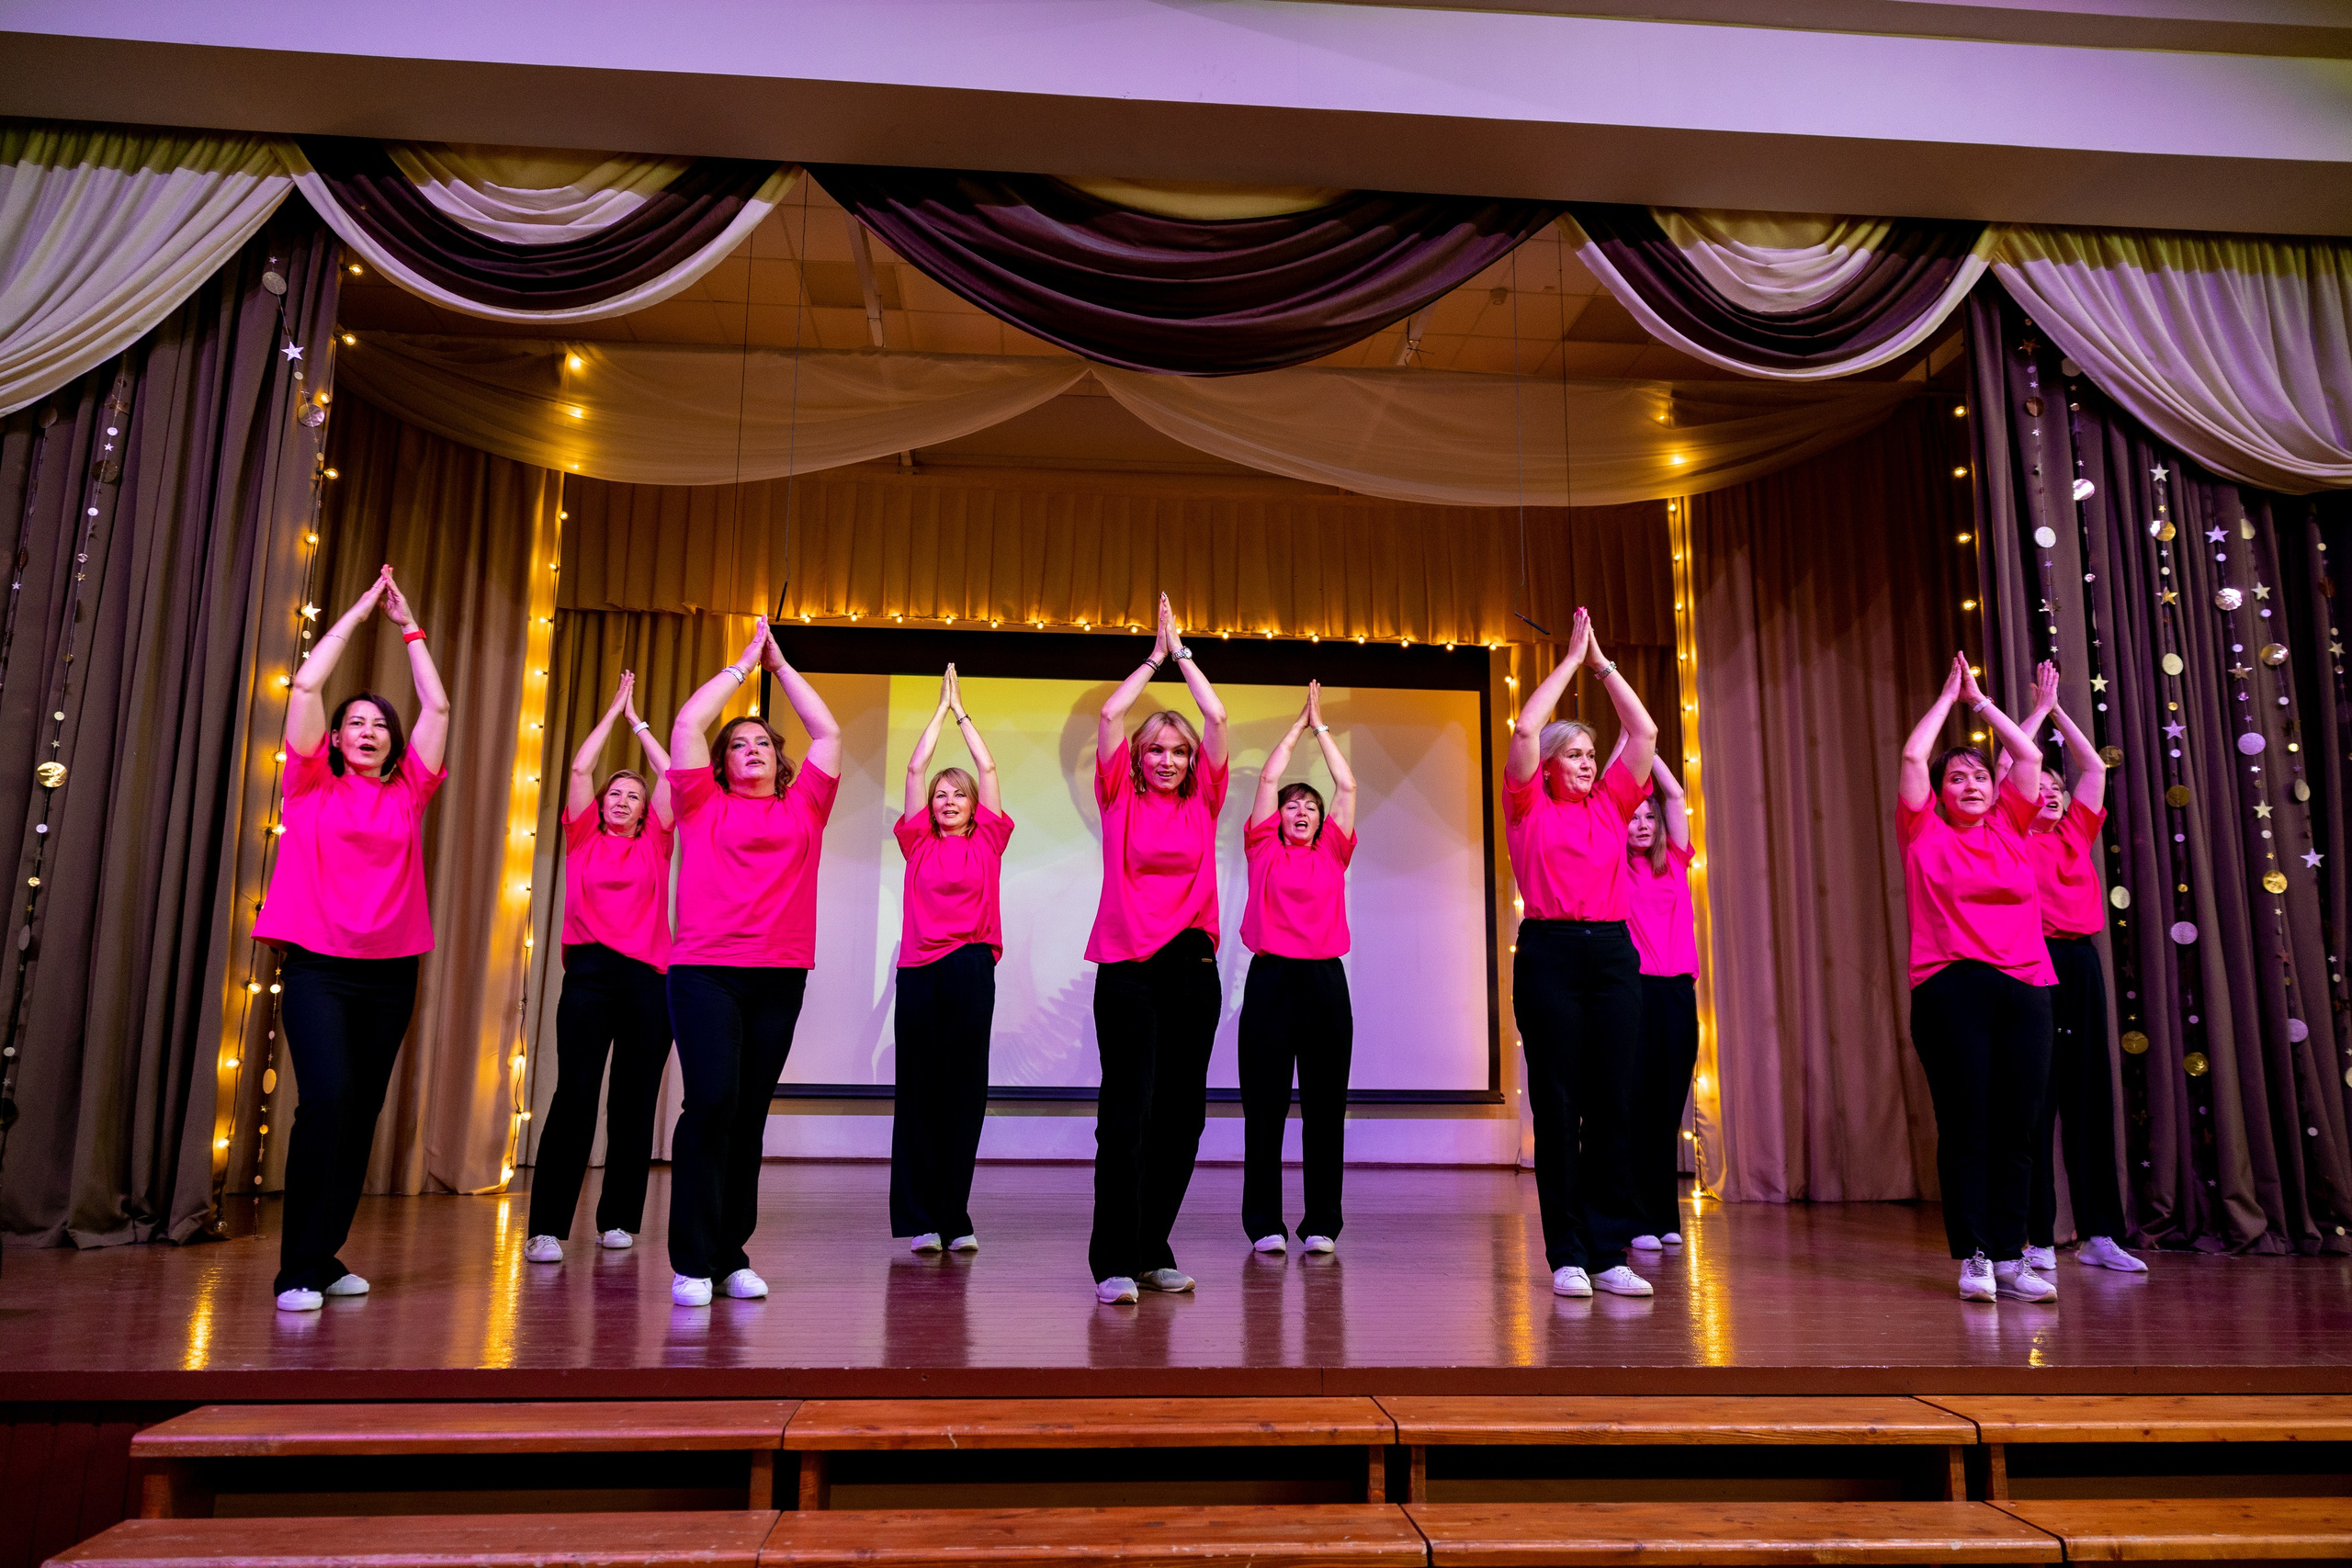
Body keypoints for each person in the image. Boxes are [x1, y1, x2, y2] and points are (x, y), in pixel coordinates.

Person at [253, 566, 450, 1313]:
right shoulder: (309, 783)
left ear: (394, 743)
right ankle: (297, 1269)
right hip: (318, 969)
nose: (368, 732)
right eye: (355, 723)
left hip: (390, 972)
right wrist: (362, 612)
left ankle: (325, 1253)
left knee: (360, 1111)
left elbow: (439, 703)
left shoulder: (410, 791)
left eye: (380, 725)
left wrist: (410, 627)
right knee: (327, 1100)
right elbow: (306, 685)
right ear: (334, 738)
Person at [662, 617, 842, 1308]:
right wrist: (743, 666)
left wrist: (782, 665)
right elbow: (687, 722)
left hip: (778, 976)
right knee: (711, 1102)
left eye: (762, 741)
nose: (751, 750)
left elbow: (827, 733)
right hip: (705, 972)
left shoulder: (806, 806)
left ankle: (731, 1254)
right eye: (738, 744)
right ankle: (691, 1261)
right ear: (722, 763)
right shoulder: (699, 802)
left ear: (778, 757)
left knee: (748, 1114)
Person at [1505, 607, 1660, 1299]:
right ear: (1548, 764)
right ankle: (1566, 1252)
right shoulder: (1527, 805)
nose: (1588, 762)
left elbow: (1644, 732)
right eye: (1574, 754)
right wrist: (1569, 661)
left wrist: (1603, 667)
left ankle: (1606, 1252)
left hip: (1612, 954)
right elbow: (1523, 729)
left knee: (1612, 1103)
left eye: (1591, 755)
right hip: (1550, 953)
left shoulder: (1610, 803)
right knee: (1558, 1103)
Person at [1897, 653, 2058, 1304]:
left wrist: (1982, 704)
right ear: (1939, 792)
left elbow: (2028, 757)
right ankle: (1975, 1255)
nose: (1970, 784)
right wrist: (1947, 698)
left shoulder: (2012, 825)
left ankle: (2013, 1255)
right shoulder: (1922, 830)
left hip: (2026, 987)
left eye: (1979, 775)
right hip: (1950, 986)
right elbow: (1914, 756)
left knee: (2019, 1127)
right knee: (1968, 1126)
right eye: (1956, 777)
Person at [1086, 592, 1229, 1304]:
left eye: (1179, 751)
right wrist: (1153, 659)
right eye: (1157, 750)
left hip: (1192, 970)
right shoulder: (1119, 796)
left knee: (1183, 1119)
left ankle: (1150, 1249)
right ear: (1138, 759)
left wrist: (1186, 656)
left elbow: (1219, 718)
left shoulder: (1204, 800)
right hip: (1128, 971)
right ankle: (1114, 1259)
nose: (1169, 759)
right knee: (1128, 1116)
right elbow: (1110, 715)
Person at [524, 671, 674, 1265]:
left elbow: (674, 776)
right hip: (588, 976)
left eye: (633, 796)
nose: (621, 800)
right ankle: (546, 1228)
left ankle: (617, 1220)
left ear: (644, 812)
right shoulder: (583, 836)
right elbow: (581, 768)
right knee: (575, 1095)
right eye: (616, 792)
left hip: (649, 982)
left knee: (633, 1102)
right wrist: (613, 711)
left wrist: (640, 723)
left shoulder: (657, 842)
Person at [2011, 662, 2146, 1276]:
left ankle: (2099, 1234)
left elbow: (2094, 769)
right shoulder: (2011, 833)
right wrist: (2036, 712)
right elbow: (2014, 764)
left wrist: (2060, 711)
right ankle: (2038, 1237)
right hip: (2031, 961)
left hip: (2080, 961)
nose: (2049, 792)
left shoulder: (2075, 833)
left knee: (2089, 1097)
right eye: (2039, 784)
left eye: (2056, 787)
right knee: (2036, 1100)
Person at [890, 663, 1012, 1257]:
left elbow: (988, 768)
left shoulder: (989, 839)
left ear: (973, 805)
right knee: (919, 1093)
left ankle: (954, 1215)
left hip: (970, 967)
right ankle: (921, 1219)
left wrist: (961, 712)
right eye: (941, 794)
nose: (947, 800)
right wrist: (937, 712)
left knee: (964, 1093)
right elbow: (915, 769)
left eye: (957, 793)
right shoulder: (916, 841)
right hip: (919, 972)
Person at [1238, 681, 1359, 1258]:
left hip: (1324, 985)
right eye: (1293, 805)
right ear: (1278, 817)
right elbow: (1267, 779)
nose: (1303, 810)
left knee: (1324, 1110)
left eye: (1311, 805)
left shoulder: (1333, 851)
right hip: (1271, 983)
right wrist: (1295, 728)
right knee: (1265, 1109)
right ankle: (1264, 1222)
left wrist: (1322, 728)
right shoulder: (1262, 849)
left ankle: (1322, 1223)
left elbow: (1348, 786)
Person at [1616, 743, 1696, 1254]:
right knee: (1635, 1108)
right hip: (1637, 993)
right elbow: (1610, 794)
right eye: (1634, 817)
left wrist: (1647, 749)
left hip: (1678, 994)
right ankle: (1635, 1216)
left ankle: (1665, 1214)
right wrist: (1628, 750)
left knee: (1667, 1111)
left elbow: (1676, 794)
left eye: (1649, 818)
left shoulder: (1677, 863)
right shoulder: (1615, 866)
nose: (1642, 824)